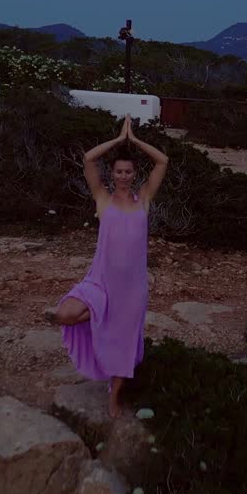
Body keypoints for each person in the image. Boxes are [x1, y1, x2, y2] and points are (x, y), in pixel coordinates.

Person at [54, 115, 168, 418]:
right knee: (65, 315)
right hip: (101, 282)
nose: (123, 175)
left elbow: (163, 161)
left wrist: (136, 141)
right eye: (118, 171)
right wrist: (119, 140)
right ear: (113, 173)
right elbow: (89, 159)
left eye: (128, 171)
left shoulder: (143, 199)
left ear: (134, 174)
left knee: (125, 343)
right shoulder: (102, 199)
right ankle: (95, 323)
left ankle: (114, 397)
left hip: (132, 290)